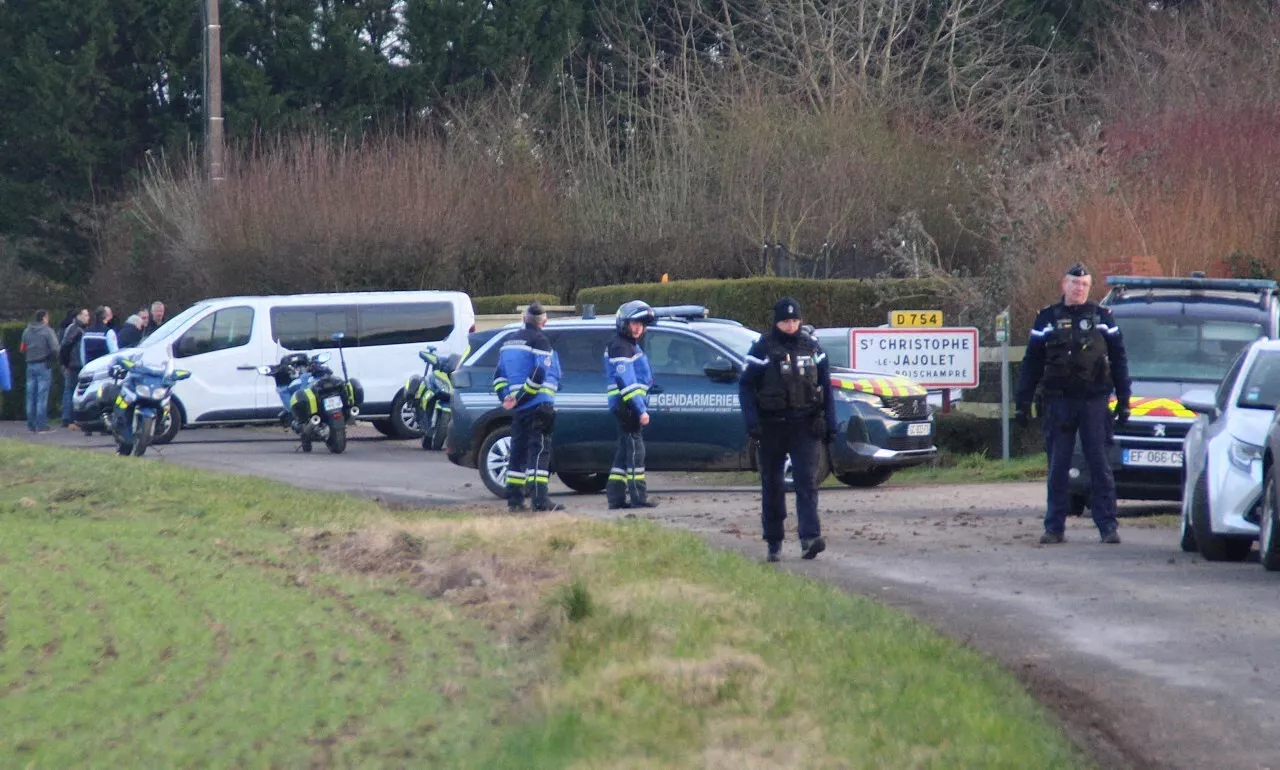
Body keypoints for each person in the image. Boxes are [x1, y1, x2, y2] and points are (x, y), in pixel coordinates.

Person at [1015, 262, 1131, 545]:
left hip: (1094, 400)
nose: (1079, 289)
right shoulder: (1046, 318)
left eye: (1084, 285)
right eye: (1074, 284)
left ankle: (1107, 527)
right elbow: (1031, 363)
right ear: (1063, 285)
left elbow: (1119, 359)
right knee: (1058, 465)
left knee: (1099, 464)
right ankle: (1054, 527)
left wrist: (1124, 401)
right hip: (1058, 401)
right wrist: (1022, 402)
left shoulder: (1102, 317)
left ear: (1089, 288)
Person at [740, 297, 836, 562]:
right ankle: (774, 540)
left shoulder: (813, 347)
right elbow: (746, 386)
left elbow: (826, 386)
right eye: (785, 321)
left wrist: (830, 421)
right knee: (772, 485)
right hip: (772, 427)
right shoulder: (762, 348)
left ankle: (810, 538)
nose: (791, 325)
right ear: (776, 322)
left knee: (807, 482)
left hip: (805, 425)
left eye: (795, 320)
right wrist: (752, 421)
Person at [492, 303, 564, 512]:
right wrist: (522, 397)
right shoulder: (541, 341)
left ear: (524, 319)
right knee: (539, 451)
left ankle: (514, 501)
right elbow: (539, 374)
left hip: (519, 409)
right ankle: (540, 500)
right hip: (538, 405)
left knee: (517, 453)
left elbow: (498, 375)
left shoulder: (507, 343)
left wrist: (506, 397)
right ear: (544, 322)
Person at [603, 300, 659, 510]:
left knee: (625, 451)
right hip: (627, 405)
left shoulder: (628, 345)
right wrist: (641, 410)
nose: (638, 328)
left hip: (626, 405)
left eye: (641, 324)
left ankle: (615, 497)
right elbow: (626, 382)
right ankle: (638, 497)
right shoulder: (620, 346)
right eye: (634, 323)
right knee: (636, 451)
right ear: (623, 323)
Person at [20, 310, 61, 433]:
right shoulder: (47, 331)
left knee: (30, 395)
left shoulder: (26, 331)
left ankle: (31, 425)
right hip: (43, 364)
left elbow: (22, 348)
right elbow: (55, 348)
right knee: (41, 396)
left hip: (30, 364)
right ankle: (41, 425)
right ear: (44, 318)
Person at [58, 307, 90, 428]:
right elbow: (65, 347)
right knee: (72, 391)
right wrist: (65, 364)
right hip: (74, 365)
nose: (88, 318)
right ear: (79, 316)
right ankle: (70, 419)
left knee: (70, 391)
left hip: (74, 364)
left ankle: (70, 418)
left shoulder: (79, 328)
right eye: (86, 315)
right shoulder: (75, 329)